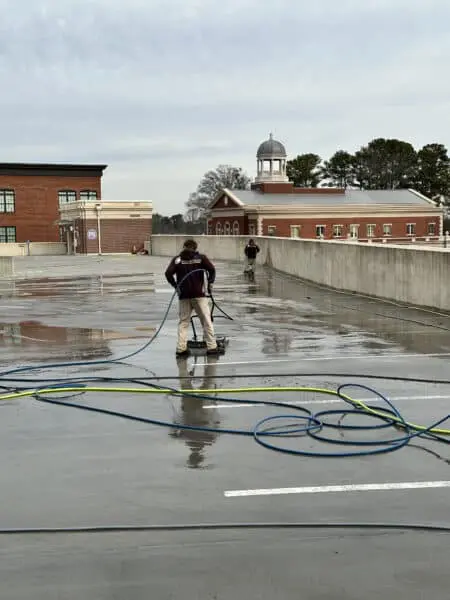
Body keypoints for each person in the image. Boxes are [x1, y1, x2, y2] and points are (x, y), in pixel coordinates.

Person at [165, 239, 219, 357]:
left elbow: (168, 273)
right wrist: (210, 283)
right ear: (195, 248)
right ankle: (212, 347)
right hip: (199, 295)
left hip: (183, 296)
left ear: (184, 247)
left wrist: (176, 286)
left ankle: (181, 348)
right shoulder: (201, 258)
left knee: (184, 322)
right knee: (206, 320)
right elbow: (212, 270)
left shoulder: (178, 259)